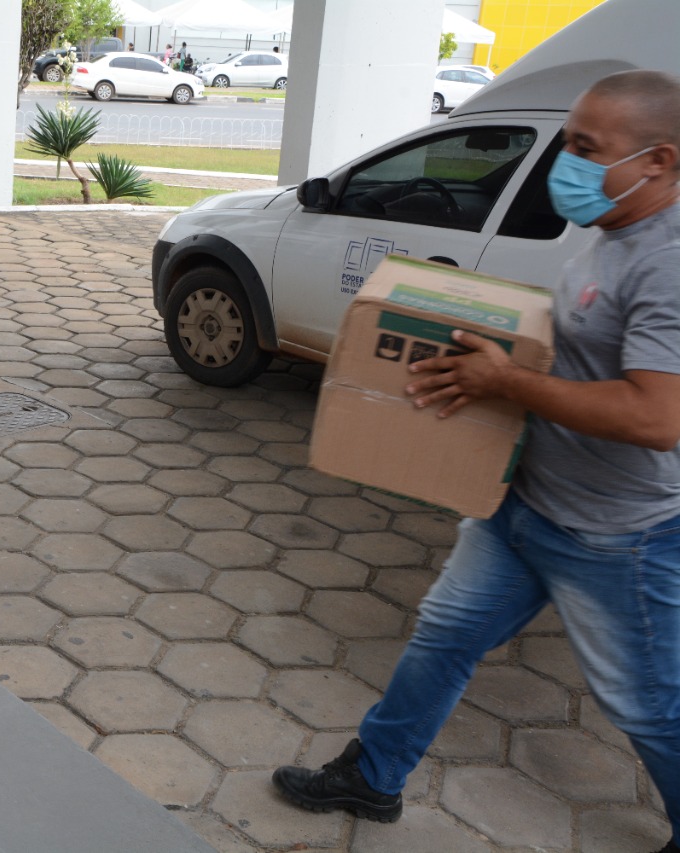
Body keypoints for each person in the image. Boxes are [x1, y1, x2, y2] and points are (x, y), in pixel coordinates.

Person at [271, 69, 680, 853]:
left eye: (588, 148)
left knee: (648, 704)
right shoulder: (617, 230)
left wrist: (507, 380)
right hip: (525, 505)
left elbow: (656, 417)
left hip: (615, 534)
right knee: (443, 637)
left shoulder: (667, 262)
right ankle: (374, 775)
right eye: (570, 139)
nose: (568, 160)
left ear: (657, 160)